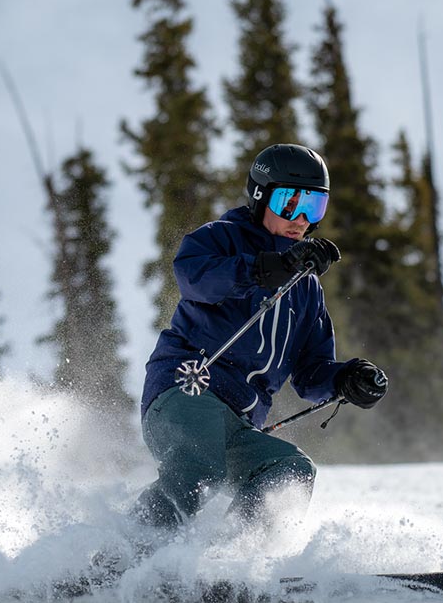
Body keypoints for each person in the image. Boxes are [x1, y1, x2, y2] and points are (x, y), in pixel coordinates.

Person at [131, 143, 389, 541]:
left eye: (314, 207)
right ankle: (121, 555)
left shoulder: (307, 290)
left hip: (238, 421)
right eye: (290, 203)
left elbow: (310, 373)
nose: (301, 219)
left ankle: (233, 561)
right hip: (184, 391)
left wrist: (346, 379)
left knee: (289, 470)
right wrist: (264, 268)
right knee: (199, 471)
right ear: (260, 195)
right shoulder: (221, 240)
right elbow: (194, 277)